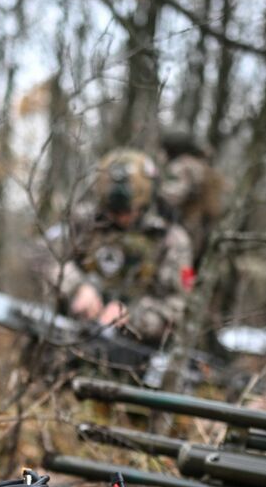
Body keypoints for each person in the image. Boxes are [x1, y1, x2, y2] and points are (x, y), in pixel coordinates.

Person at [40, 149, 194, 344]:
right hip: (69, 334)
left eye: (128, 211)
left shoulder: (172, 239)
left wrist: (134, 317)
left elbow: (178, 306)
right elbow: (43, 255)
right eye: (114, 210)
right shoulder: (84, 221)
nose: (121, 218)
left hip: (135, 351)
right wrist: (77, 288)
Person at [157, 130, 223, 262]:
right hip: (202, 230)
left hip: (186, 229)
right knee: (190, 271)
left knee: (178, 272)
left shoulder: (183, 166)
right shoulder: (202, 166)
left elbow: (170, 196)